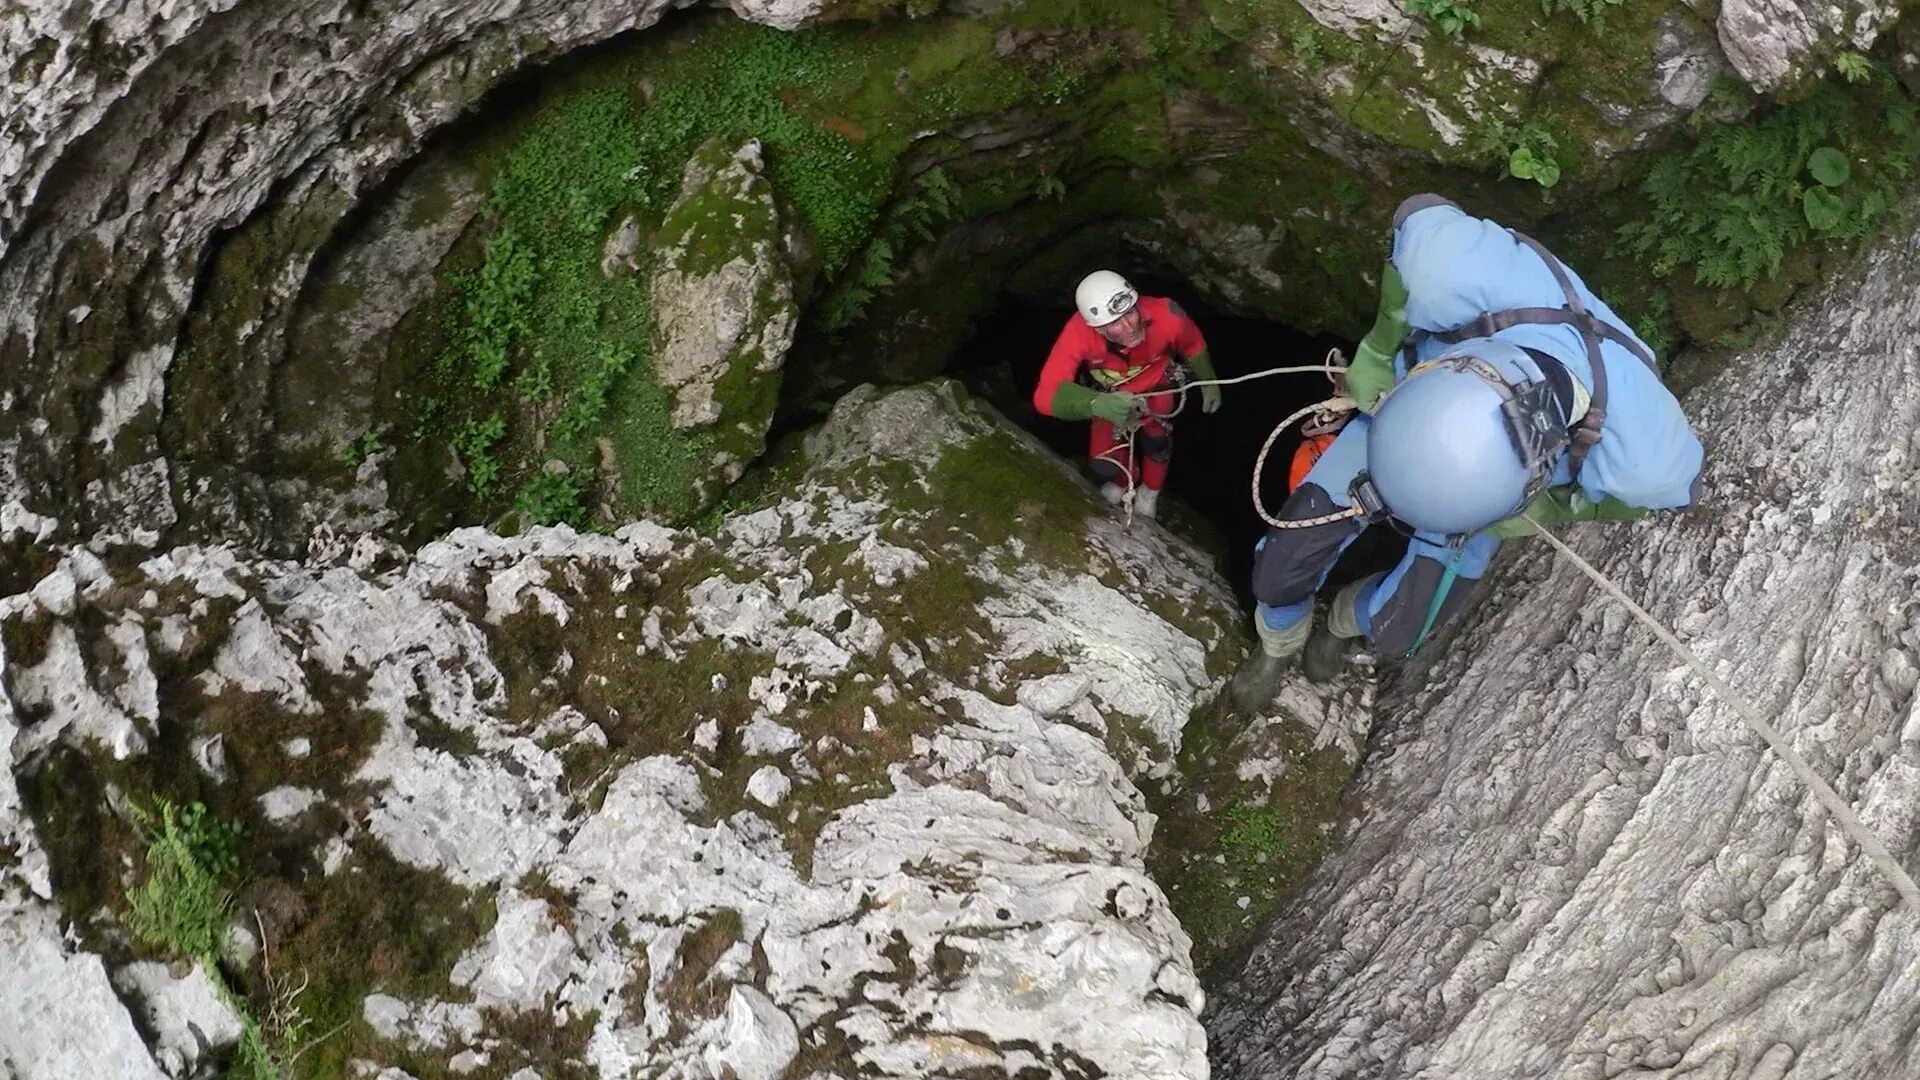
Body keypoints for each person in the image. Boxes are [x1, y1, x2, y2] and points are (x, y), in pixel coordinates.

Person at [1229, 194, 1705, 710]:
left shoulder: (1646, 458)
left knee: (1400, 632)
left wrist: (1562, 507)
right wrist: (1379, 348)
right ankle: (1278, 643)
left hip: (1479, 495)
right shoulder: (1444, 267)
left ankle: (1343, 621)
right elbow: (1412, 238)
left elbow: (1657, 496)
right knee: (1281, 567)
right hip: (1408, 421)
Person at [1032, 270, 1220, 520]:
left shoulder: (1166, 314)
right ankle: (1125, 480)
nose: (1130, 326)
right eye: (1115, 323)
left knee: (1157, 443)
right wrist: (1096, 404)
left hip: (1158, 386)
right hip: (1111, 396)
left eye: (1130, 313)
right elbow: (1045, 396)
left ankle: (1149, 494)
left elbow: (1192, 344)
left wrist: (1208, 381)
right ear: (1098, 329)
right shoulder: (1079, 333)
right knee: (1103, 461)